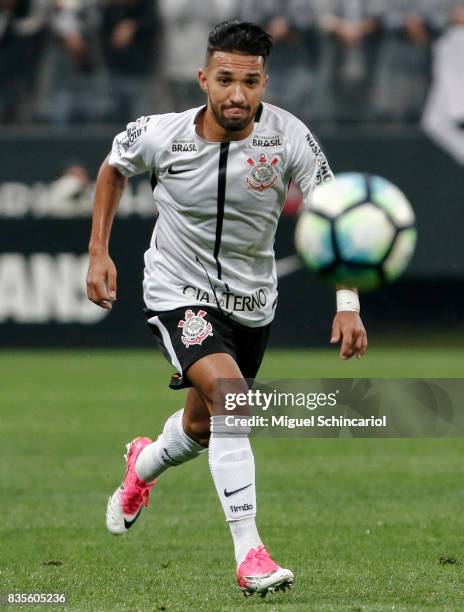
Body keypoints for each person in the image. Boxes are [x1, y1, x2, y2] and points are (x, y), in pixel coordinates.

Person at [86, 21, 368, 598]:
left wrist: (348, 303)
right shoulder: (163, 134)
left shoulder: (289, 138)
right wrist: (99, 253)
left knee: (200, 426)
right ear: (203, 79)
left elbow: (334, 214)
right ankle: (250, 554)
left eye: (250, 81)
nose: (237, 94)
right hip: (176, 290)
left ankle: (142, 465)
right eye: (225, 80)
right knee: (232, 399)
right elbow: (114, 166)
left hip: (253, 303)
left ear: (265, 81)